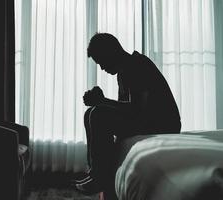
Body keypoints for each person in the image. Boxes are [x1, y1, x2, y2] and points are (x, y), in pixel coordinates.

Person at [74, 33, 181, 194]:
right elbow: (125, 111)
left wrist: (102, 101)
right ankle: (96, 172)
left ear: (111, 52)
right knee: (91, 112)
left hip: (162, 124)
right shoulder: (124, 71)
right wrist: (100, 102)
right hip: (147, 120)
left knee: (97, 114)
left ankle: (101, 176)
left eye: (101, 61)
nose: (102, 68)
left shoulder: (137, 65)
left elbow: (137, 110)